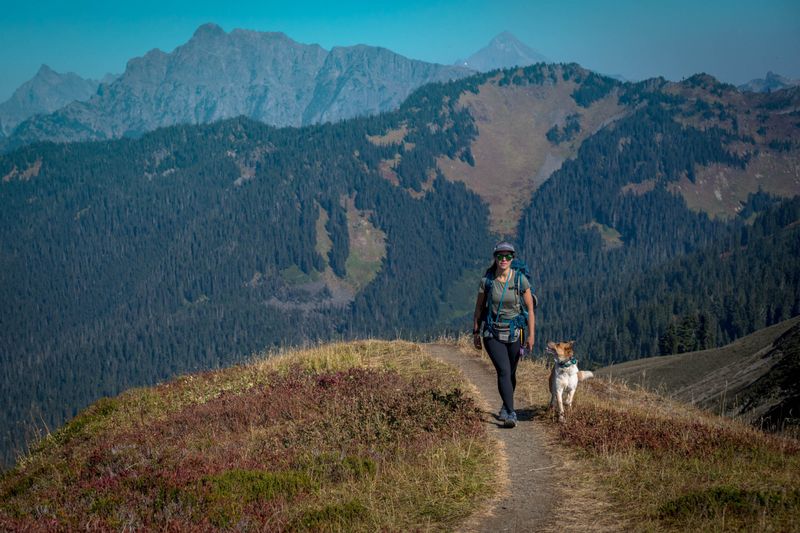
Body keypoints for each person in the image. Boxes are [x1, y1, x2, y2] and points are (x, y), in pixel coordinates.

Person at [472, 241, 536, 428]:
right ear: (495, 258)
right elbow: (478, 309)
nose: (504, 259)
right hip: (492, 333)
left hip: (515, 333)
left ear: (512, 258)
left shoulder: (520, 280)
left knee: (511, 373)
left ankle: (504, 407)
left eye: (508, 256)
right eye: (500, 256)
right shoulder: (488, 281)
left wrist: (531, 335)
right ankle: (511, 413)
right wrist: (476, 331)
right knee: (504, 371)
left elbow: (530, 309)